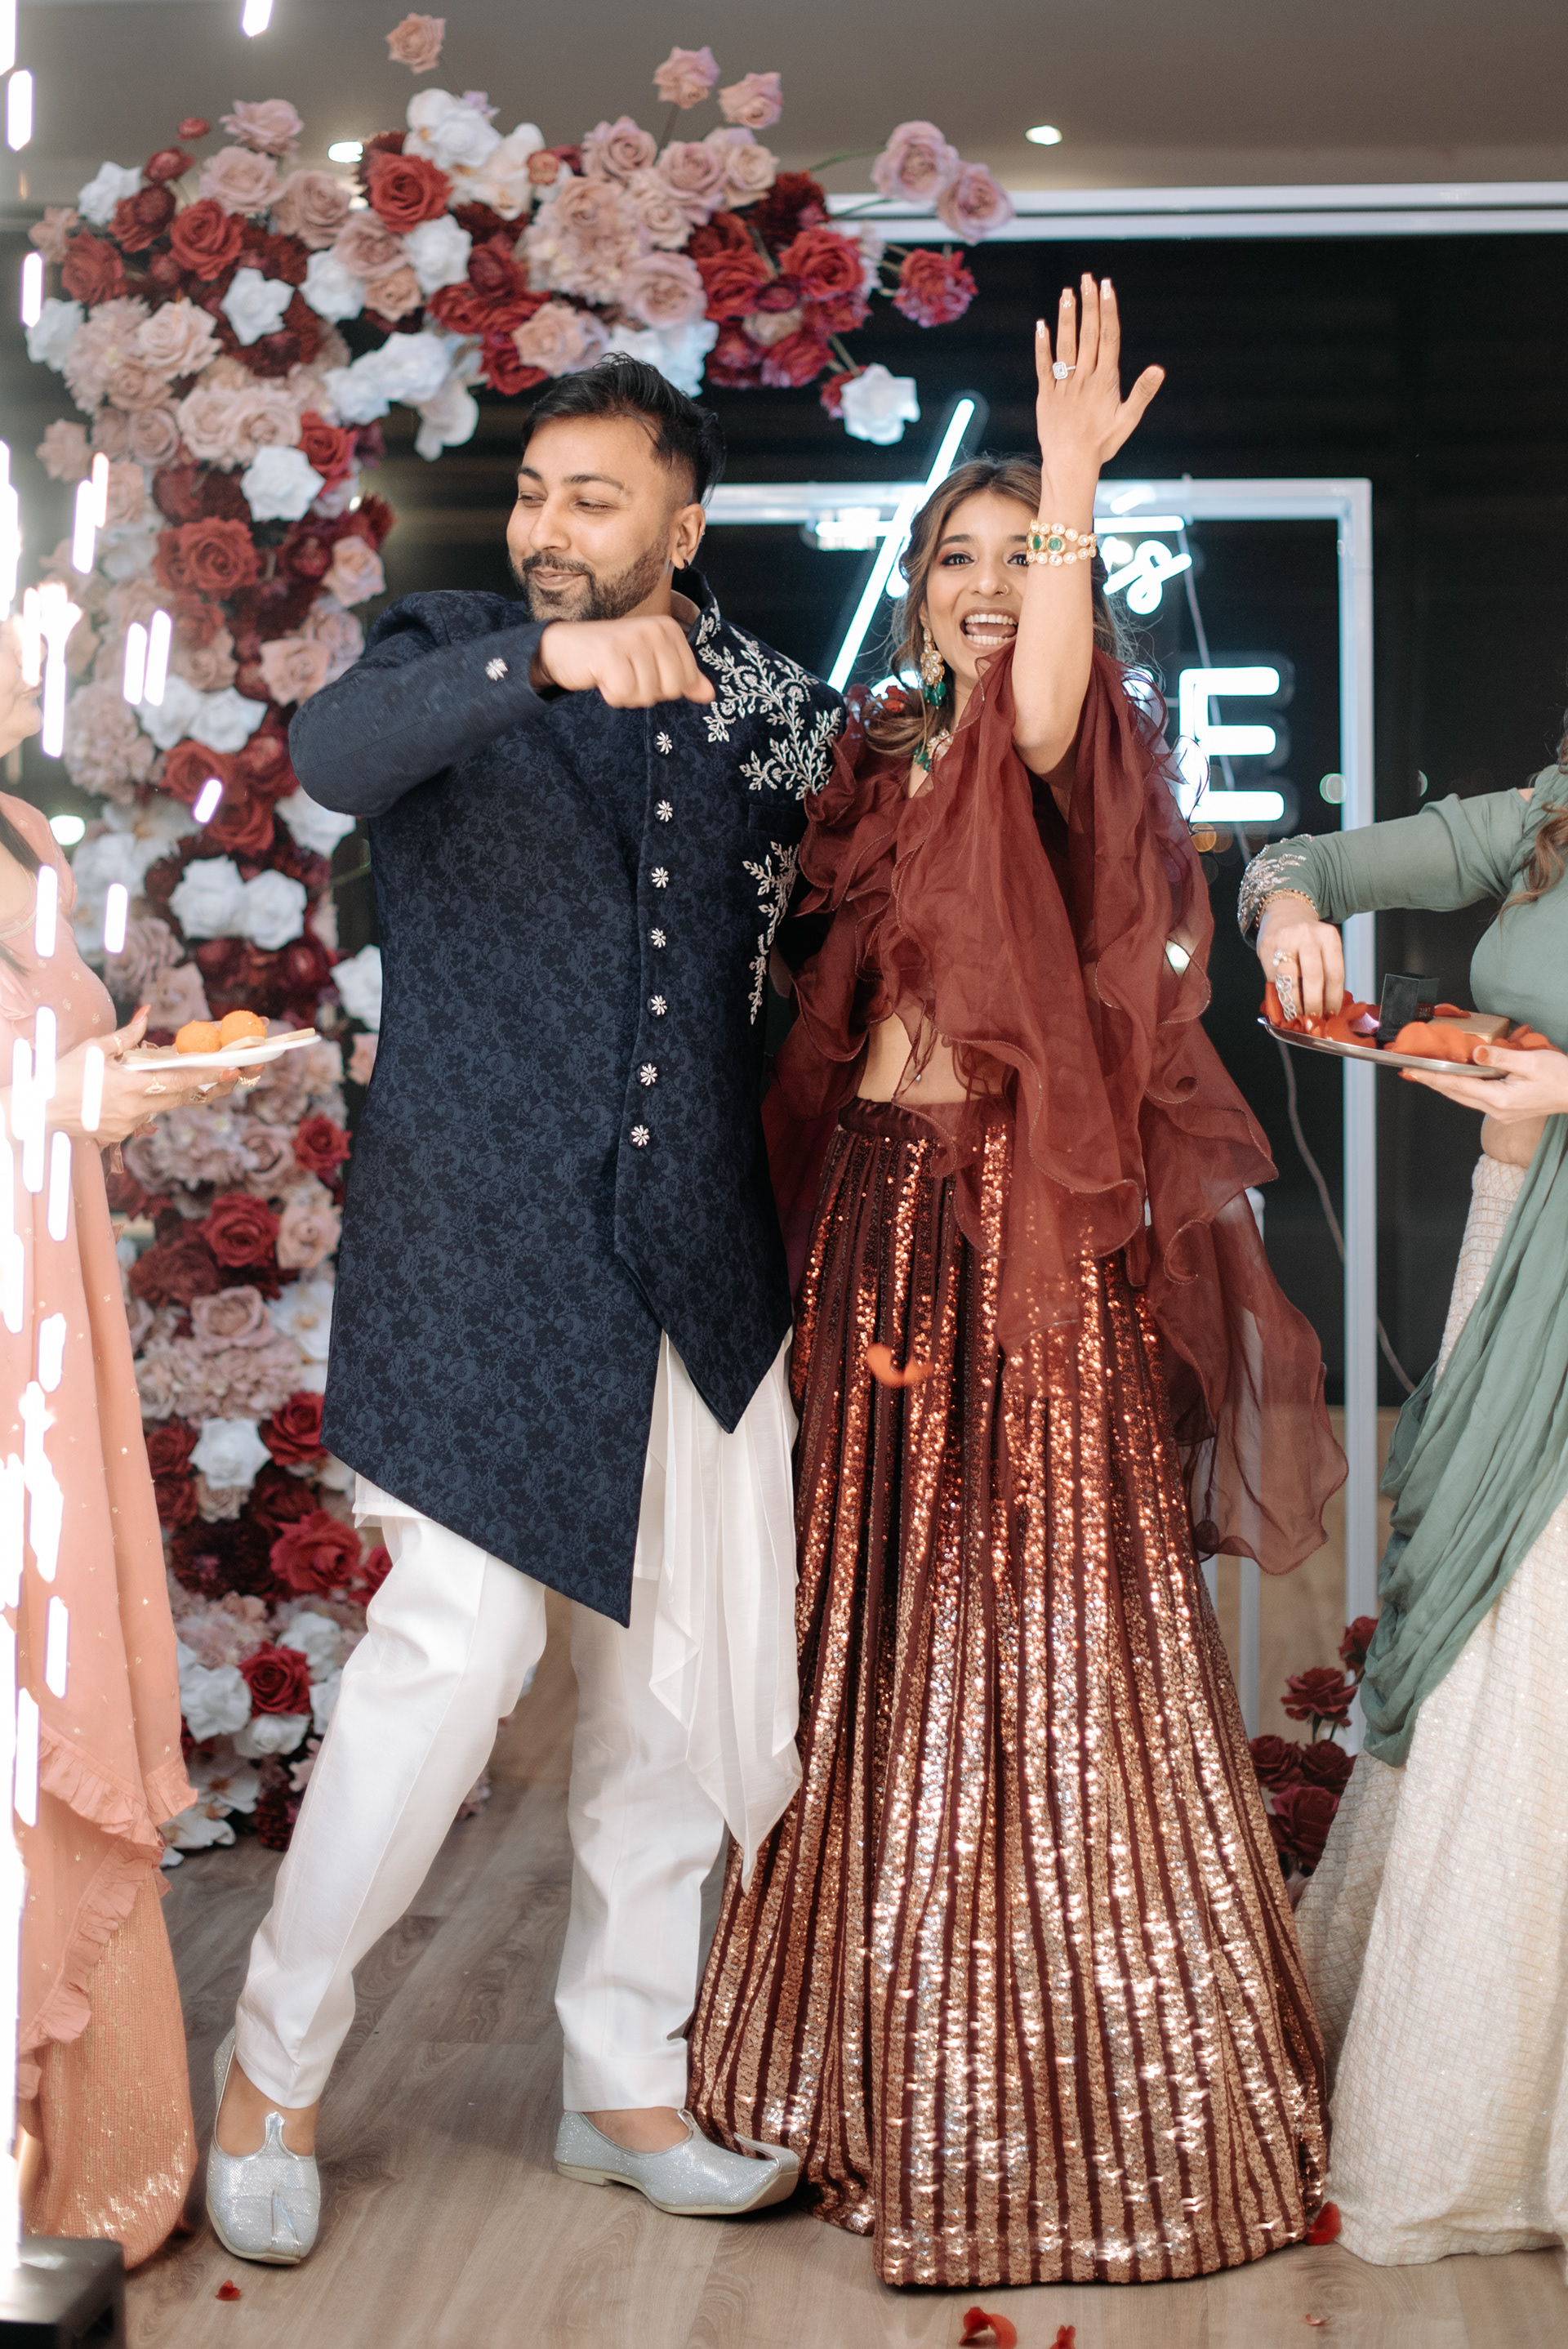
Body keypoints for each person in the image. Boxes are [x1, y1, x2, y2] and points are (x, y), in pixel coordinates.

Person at [686, 280, 1345, 2289]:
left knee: (1040, 1615)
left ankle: (1060, 2070)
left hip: (1024, 1232)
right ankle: (870, 2036)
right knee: (876, 1616)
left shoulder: (1071, 747)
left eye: (1020, 557)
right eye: (957, 559)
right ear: (914, 588)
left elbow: (1043, 703)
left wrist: (1066, 477)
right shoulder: (885, 751)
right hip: (880, 1217)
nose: (989, 588)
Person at [208, 358, 843, 2262]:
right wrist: (543, 663)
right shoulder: (446, 658)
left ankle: (621, 2081)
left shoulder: (775, 711)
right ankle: (271, 2073)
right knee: (451, 1661)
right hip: (478, 1254)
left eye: (596, 497)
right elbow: (334, 755)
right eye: (537, 492)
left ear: (683, 524)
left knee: (666, 1693)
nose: (551, 525)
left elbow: (851, 922)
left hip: (696, 1261)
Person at [1245, 752, 1568, 2266]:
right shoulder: (1553, 808)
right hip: (1514, 1240)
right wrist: (1291, 919)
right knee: (1486, 1646)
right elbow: (1301, 861)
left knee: (1536, 1647)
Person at [0, 619, 242, 2263]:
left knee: (48, 1665)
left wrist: (109, 1078)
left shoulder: (24, 832)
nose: (40, 651)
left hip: (45, 1312)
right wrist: (55, 1104)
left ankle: (83, 2139)